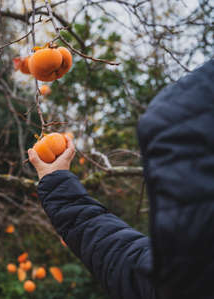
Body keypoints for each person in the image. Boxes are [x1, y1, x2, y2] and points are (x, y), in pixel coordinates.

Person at [28, 59, 214, 299]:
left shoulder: (190, 276)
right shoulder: (190, 273)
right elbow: (131, 265)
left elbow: (128, 266)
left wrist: (56, 183)